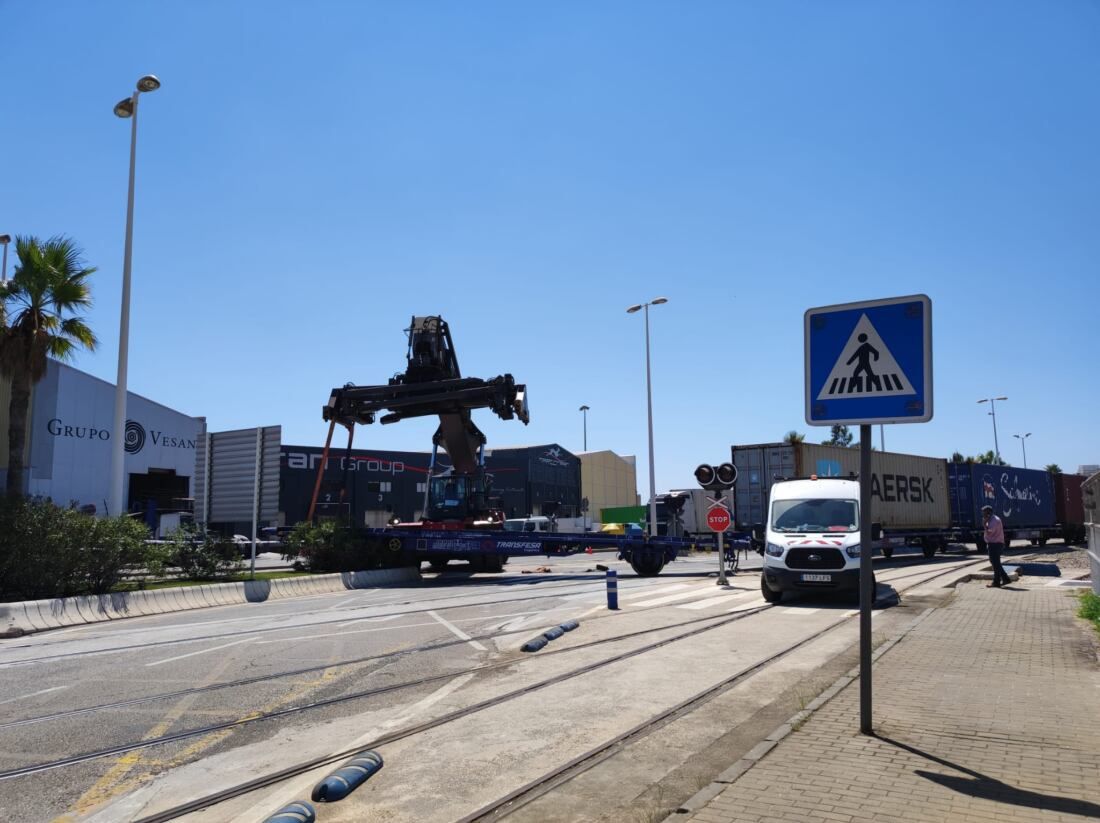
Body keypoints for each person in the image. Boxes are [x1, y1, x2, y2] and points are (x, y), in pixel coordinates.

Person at [982, 504, 1010, 587]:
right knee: (995, 563)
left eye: (984, 513)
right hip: (993, 543)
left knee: (995, 563)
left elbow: (990, 531)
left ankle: (996, 582)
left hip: (995, 544)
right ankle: (1006, 579)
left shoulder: (994, 520)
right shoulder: (991, 519)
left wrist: (984, 524)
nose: (983, 515)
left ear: (988, 513)